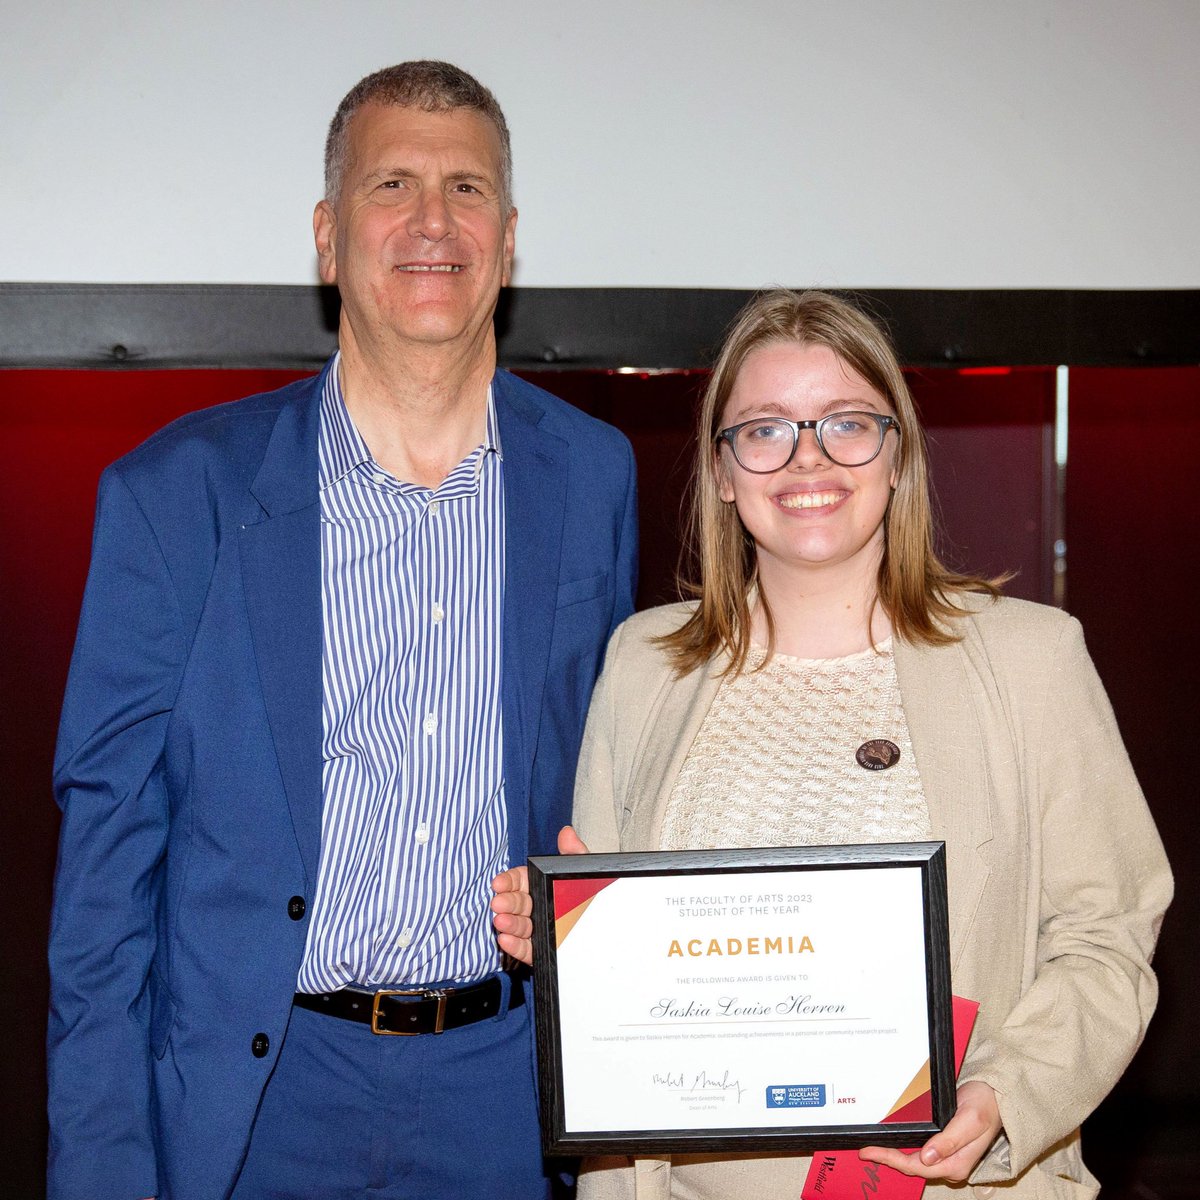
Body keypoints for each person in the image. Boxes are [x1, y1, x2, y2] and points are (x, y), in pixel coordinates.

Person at [47, 61, 638, 1200]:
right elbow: (102, 887)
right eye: (392, 185)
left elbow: (607, 784)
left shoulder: (591, 475)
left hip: (507, 1096)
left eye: (467, 189)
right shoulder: (176, 494)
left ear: (508, 241)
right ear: (328, 237)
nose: (433, 221)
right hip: (263, 1096)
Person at [529, 289, 1169, 1200]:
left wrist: (1006, 1093)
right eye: (765, 429)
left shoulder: (1030, 658)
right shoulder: (645, 664)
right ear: (722, 469)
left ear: (897, 453)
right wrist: (564, 940)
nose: (809, 458)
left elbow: (1107, 936)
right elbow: (620, 974)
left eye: (847, 424)